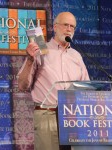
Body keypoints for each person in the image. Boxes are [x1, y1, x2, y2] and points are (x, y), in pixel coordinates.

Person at [17, 12, 90, 150]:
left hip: (73, 118)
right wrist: (30, 59)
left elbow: (86, 87)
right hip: (48, 115)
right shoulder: (40, 50)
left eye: (72, 26)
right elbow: (22, 85)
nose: (69, 29)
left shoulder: (77, 56)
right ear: (55, 27)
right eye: (65, 25)